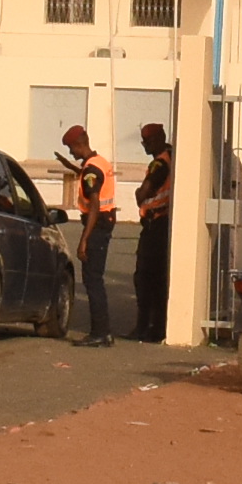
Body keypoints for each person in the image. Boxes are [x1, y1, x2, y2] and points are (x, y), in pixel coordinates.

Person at [54, 122, 116, 345]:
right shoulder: (98, 162)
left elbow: (94, 205)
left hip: (96, 226)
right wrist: (68, 164)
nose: (71, 152)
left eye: (71, 148)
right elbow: (87, 175)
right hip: (104, 223)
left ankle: (100, 333)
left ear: (79, 144)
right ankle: (103, 332)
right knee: (95, 279)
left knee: (93, 281)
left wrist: (83, 240)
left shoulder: (91, 170)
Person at [131, 118, 176, 343]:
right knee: (156, 279)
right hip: (161, 223)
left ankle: (146, 327)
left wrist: (139, 195)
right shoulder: (170, 156)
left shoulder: (160, 163)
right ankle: (152, 326)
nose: (144, 145)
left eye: (147, 141)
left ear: (159, 139)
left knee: (146, 278)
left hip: (156, 224)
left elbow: (143, 194)